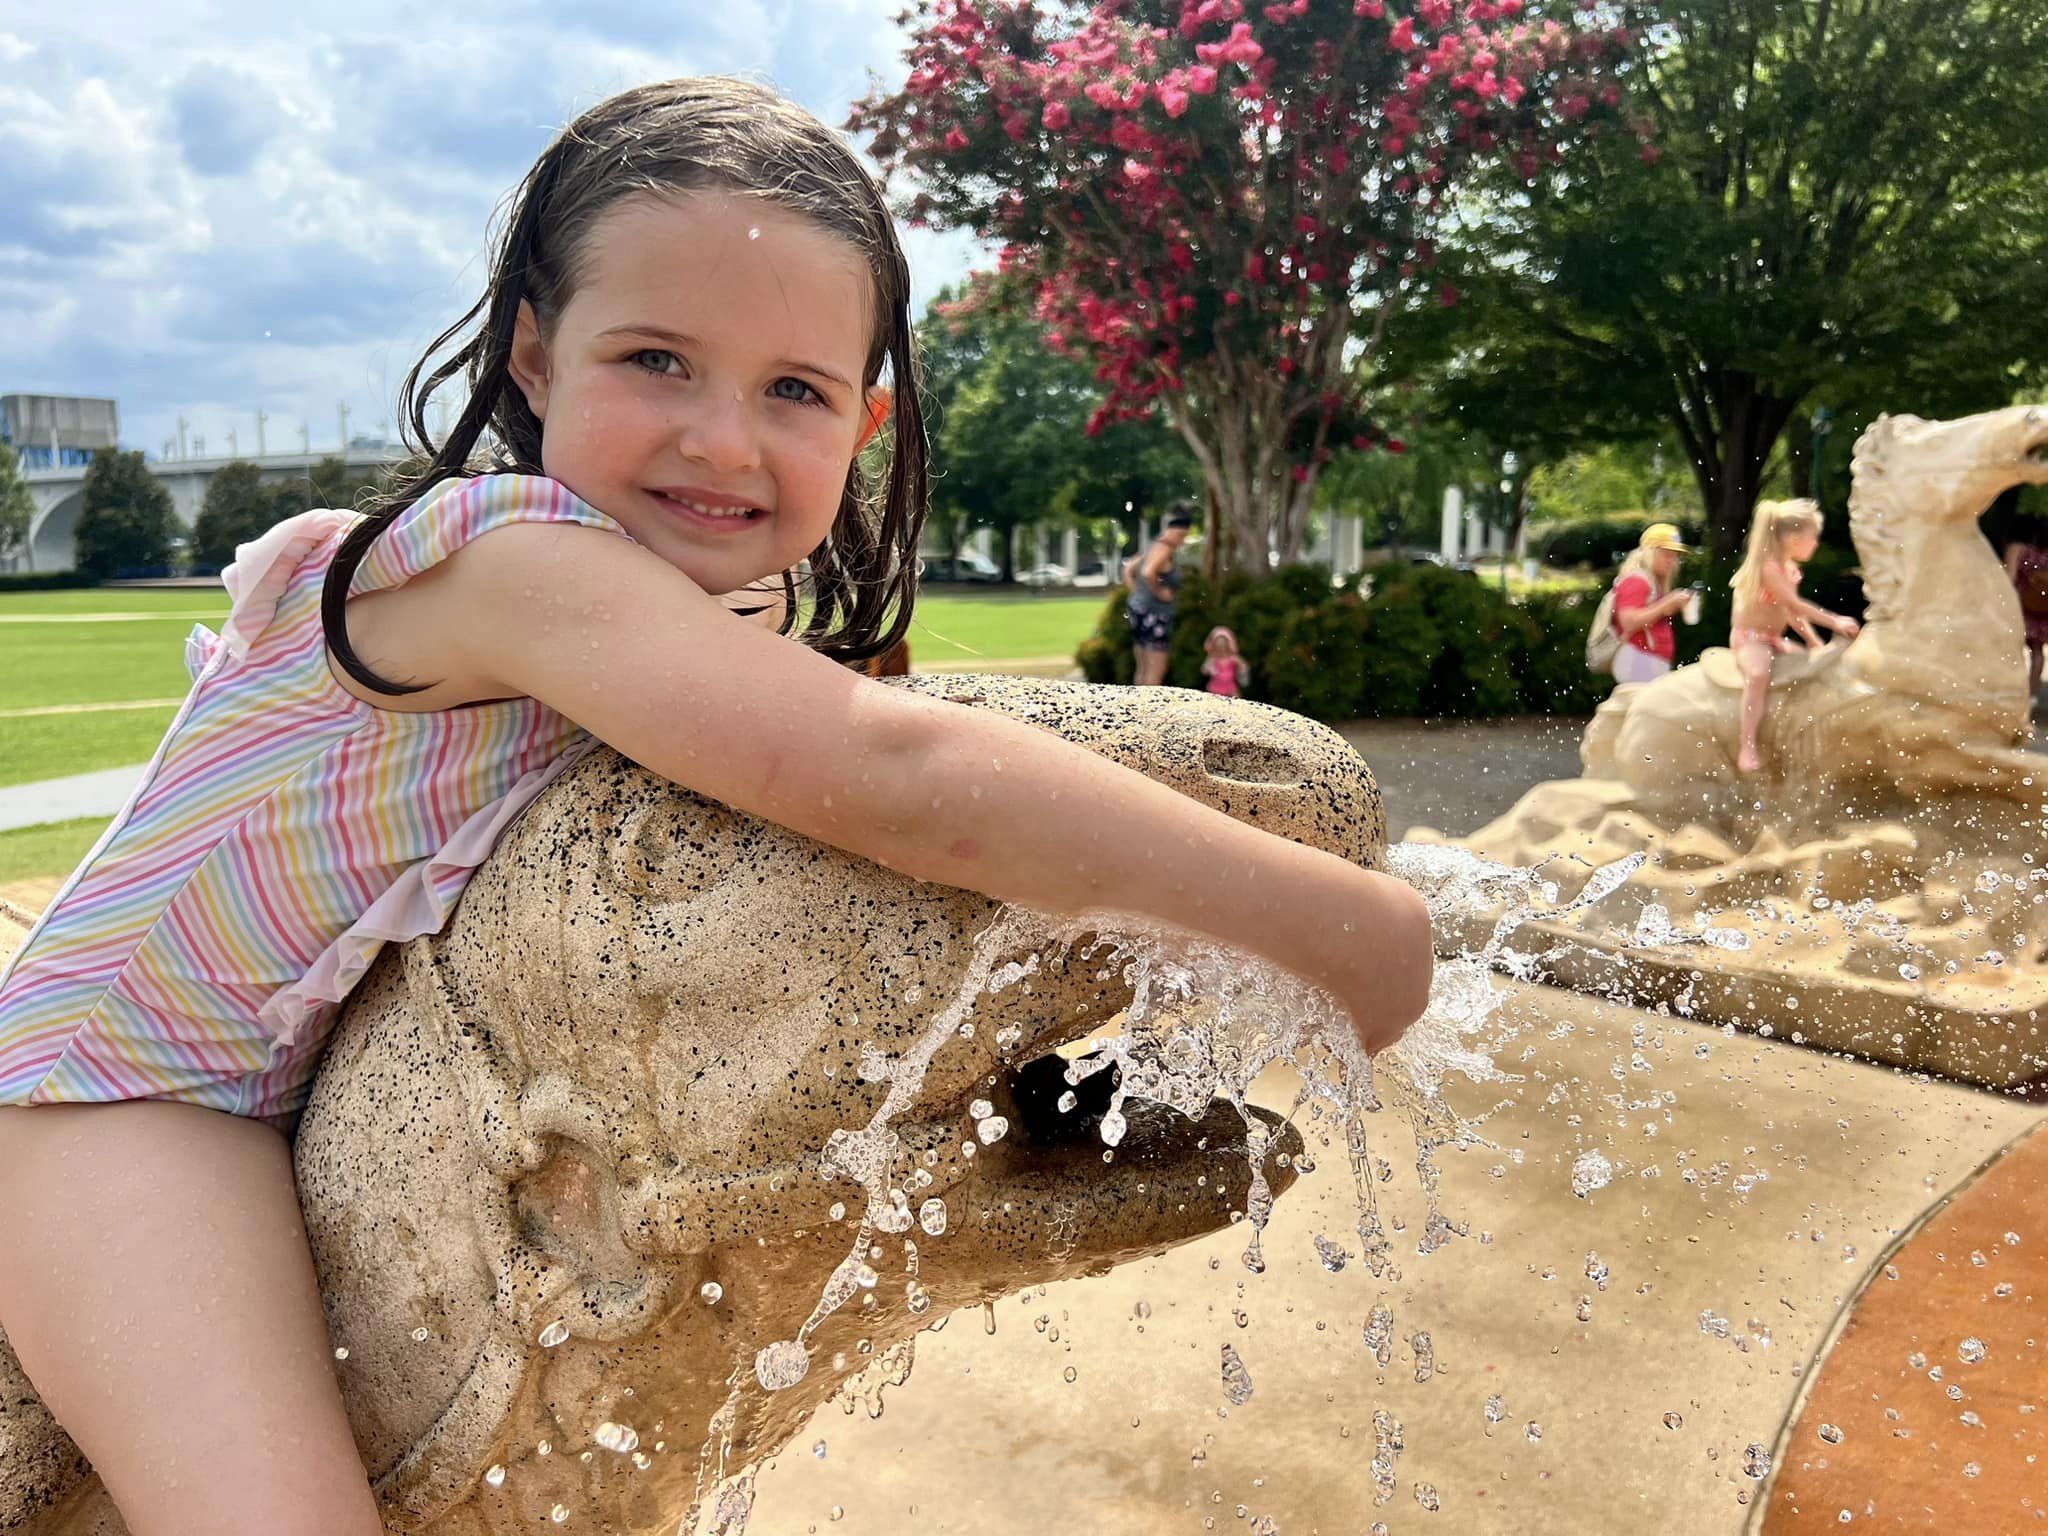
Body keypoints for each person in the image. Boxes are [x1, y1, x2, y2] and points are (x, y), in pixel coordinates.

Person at [0, 79, 1432, 1533]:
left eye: (793, 391)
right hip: (118, 1098)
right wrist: (1318, 919)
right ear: (536, 358)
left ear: (864, 420)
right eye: (658, 360)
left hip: (274, 1074)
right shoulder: (514, 565)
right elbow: (894, 774)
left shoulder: (673, 597)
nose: (723, 441)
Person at [1728, 498, 1861, 775]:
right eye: (1813, 537)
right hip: (1752, 638)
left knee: (1808, 669)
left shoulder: (1787, 569)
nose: (1815, 544)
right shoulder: (1768, 568)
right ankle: (1747, 745)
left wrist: (1813, 641)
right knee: (1758, 674)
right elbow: (1797, 605)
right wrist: (1835, 621)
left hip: (1774, 639)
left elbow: (1791, 614)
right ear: (1792, 537)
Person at [1607, 522, 1693, 685]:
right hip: (1638, 660)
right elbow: (1628, 622)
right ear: (1649, 553)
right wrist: (1668, 602)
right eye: (1667, 554)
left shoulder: (1652, 582)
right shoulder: (1637, 580)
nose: (1672, 561)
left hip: (1644, 661)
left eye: (1675, 556)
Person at [1124, 502, 1195, 686]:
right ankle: (1149, 713)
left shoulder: (1152, 545)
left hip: (1139, 609)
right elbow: (1148, 572)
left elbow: (1128, 569)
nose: (1182, 541)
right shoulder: (1165, 548)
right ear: (1175, 531)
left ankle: (1136, 711)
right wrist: (1159, 592)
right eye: (1182, 536)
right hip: (1155, 614)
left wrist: (1138, 593)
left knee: (1142, 670)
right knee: (1156, 671)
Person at [2003, 534, 2048, 704]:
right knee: (2037, 652)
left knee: (2013, 650)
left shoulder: (2018, 549)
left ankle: (2012, 692)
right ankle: (2030, 697)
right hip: (2044, 609)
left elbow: (2010, 578)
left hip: (2022, 607)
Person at [1202, 624, 1249, 698]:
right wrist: (1209, 668)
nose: (1221, 652)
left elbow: (1244, 667)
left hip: (1231, 688)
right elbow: (1204, 671)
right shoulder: (1212, 658)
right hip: (1215, 688)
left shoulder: (1233, 658)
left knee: (1235, 703)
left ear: (1228, 647)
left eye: (1223, 648)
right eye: (1218, 648)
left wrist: (1242, 672)